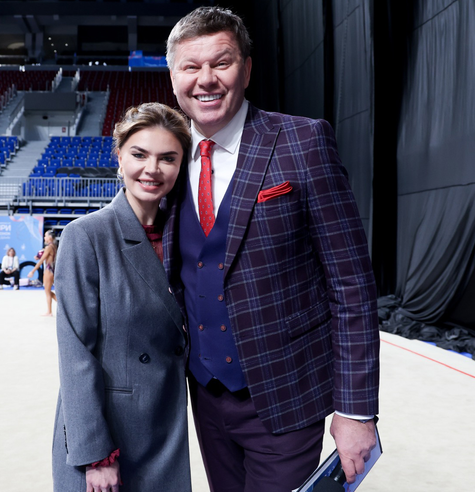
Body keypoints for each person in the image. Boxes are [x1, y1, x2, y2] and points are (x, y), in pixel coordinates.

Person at [163, 7, 380, 491]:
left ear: (247, 67)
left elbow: (351, 283)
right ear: (173, 76)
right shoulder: (167, 158)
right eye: (190, 67)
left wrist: (356, 410)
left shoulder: (303, 141)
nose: (206, 80)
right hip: (204, 395)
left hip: (286, 396)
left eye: (221, 62)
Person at [52, 103, 191, 492]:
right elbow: (75, 352)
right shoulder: (87, 235)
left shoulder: (187, 237)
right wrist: (96, 454)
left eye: (168, 158)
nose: (152, 169)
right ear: (119, 157)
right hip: (109, 436)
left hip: (166, 426)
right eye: (139, 154)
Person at [28, 230, 57, 316]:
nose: (44, 238)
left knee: (47, 292)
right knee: (47, 291)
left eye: (45, 236)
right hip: (51, 269)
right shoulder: (53, 246)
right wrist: (38, 256)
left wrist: (32, 271)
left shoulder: (49, 248)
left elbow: (41, 261)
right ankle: (52, 309)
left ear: (50, 237)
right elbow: (42, 256)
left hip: (49, 270)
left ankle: (50, 311)